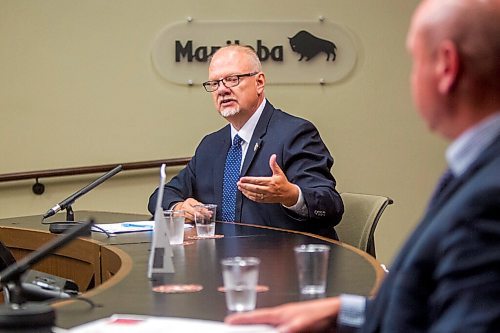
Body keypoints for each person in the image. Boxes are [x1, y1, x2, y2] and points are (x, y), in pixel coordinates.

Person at [225, 0, 500, 331]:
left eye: (414, 61)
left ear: (446, 67)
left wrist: (290, 194)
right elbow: (431, 301)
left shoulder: (489, 198)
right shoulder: (476, 166)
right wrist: (343, 311)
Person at [148, 45, 343, 238]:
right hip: (221, 262)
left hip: (285, 261)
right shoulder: (211, 145)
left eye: (232, 79)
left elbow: (331, 205)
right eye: (215, 83)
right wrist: (179, 207)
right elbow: (161, 196)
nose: (222, 90)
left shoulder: (295, 133)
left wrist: (291, 195)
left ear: (259, 82)